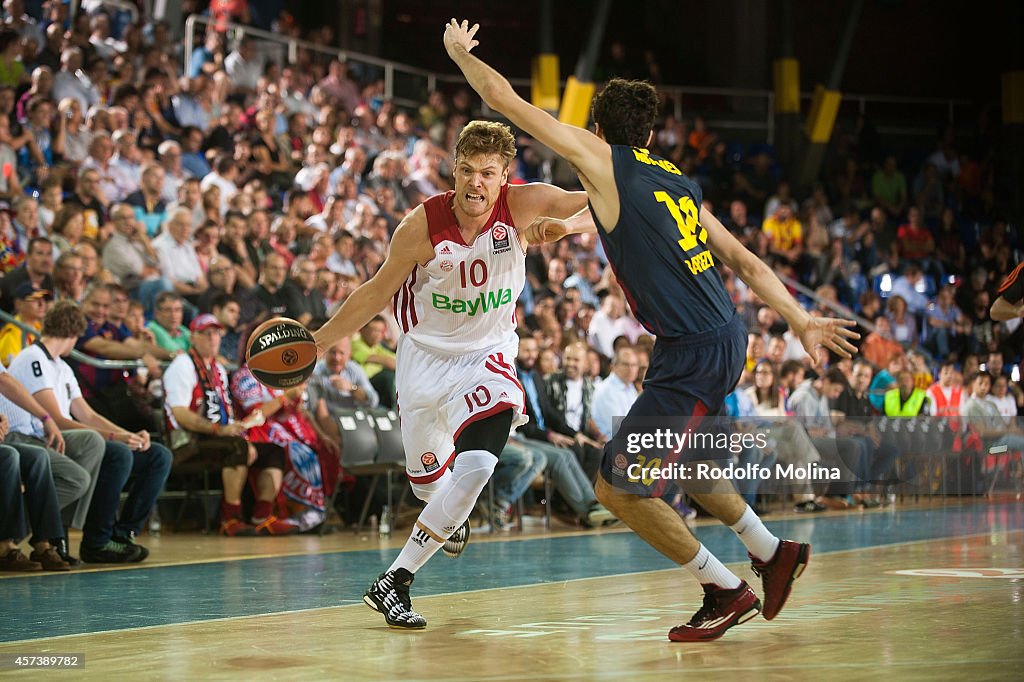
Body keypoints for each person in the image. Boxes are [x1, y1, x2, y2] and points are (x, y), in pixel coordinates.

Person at [445, 19, 858, 641]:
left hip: (693, 348)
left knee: (617, 486)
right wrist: (799, 318)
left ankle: (723, 588)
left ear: (599, 129)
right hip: (715, 337)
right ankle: (773, 554)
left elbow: (506, 102)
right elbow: (741, 259)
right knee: (687, 463)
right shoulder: (672, 180)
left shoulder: (602, 162)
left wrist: (458, 54)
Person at [312, 118, 588, 629]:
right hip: (423, 362)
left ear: (505, 176)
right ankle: (444, 514)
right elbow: (375, 294)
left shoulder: (524, 204)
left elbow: (605, 206)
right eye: (467, 171)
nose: (476, 183)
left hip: (488, 355)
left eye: (488, 173)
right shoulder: (420, 225)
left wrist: (566, 227)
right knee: (432, 492)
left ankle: (394, 580)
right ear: (453, 171)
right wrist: (318, 341)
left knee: (479, 466)